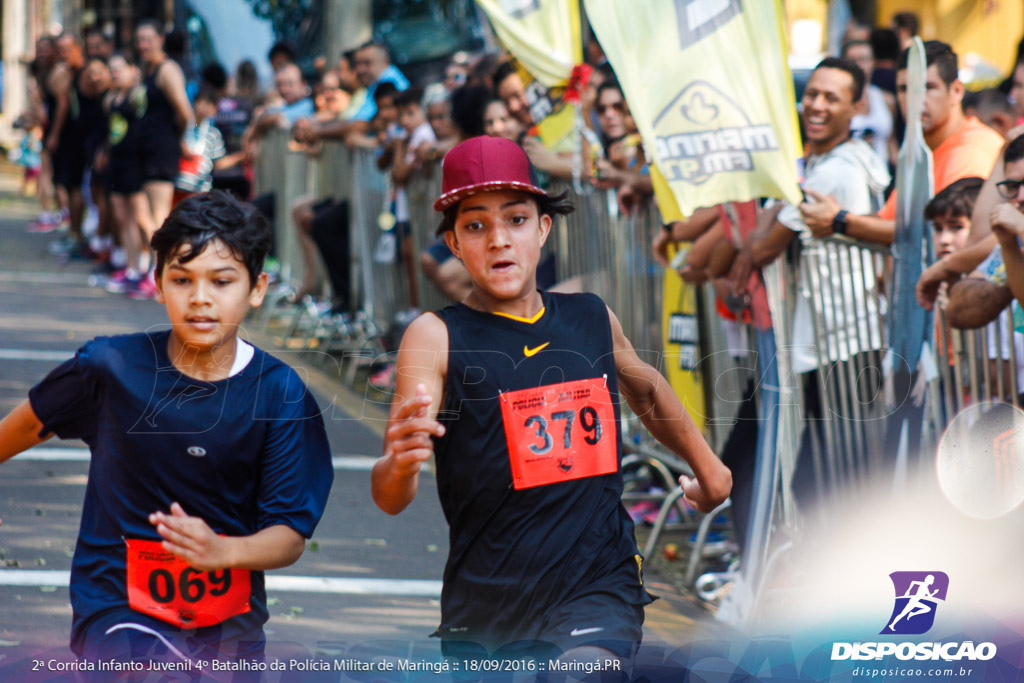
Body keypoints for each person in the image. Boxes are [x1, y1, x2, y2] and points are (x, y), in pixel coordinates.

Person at [371, 136, 731, 664]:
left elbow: (645, 386)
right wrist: (400, 464)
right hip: (488, 604)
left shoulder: (589, 316)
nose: (498, 240)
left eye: (515, 220)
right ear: (452, 242)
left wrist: (710, 468)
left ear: (543, 228)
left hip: (598, 581)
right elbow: (390, 495)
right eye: (475, 226)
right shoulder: (435, 337)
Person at [0, 191, 334, 672]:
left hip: (227, 626)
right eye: (182, 280)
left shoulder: (280, 393)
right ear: (158, 284)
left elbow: (289, 535)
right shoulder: (111, 366)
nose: (200, 298)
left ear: (256, 288)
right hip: (117, 608)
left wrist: (223, 551)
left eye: (222, 281)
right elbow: (33, 420)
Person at [741, 57, 889, 509]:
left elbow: (761, 248)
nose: (817, 106)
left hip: (841, 344)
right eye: (812, 94)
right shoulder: (847, 159)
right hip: (839, 338)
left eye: (832, 97)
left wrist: (775, 202)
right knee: (828, 472)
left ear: (857, 106)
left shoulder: (834, 172)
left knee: (833, 477)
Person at [800, 41, 1004, 246]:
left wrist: (841, 220)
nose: (916, 99)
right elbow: (887, 221)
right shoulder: (918, 152)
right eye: (905, 89)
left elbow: (930, 229)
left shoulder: (972, 148)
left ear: (956, 91)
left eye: (927, 87)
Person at [135, 19, 195, 298]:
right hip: (148, 149)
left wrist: (178, 137)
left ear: (160, 39)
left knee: (159, 215)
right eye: (139, 40)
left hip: (162, 149)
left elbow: (185, 111)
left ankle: (162, 273)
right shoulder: (149, 70)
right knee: (147, 214)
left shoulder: (167, 69)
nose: (142, 45)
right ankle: (153, 270)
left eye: (148, 39)